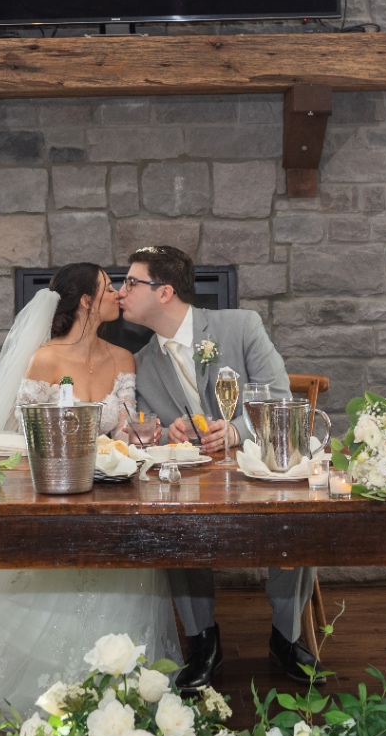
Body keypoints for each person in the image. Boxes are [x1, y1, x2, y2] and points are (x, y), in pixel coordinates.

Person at [0, 263, 181, 718]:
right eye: (107, 288)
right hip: (57, 490)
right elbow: (21, 436)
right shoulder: (44, 359)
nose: (118, 294)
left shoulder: (124, 358)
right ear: (85, 301)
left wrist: (143, 434)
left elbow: (125, 430)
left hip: (112, 490)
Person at [116, 244, 321, 691]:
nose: (121, 291)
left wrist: (237, 431)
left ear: (165, 291)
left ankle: (286, 638)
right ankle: (202, 641)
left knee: (297, 514)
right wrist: (168, 430)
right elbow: (153, 421)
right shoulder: (144, 362)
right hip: (195, 479)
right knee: (170, 518)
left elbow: (281, 398)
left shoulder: (240, 325)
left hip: (262, 467)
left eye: (131, 282)